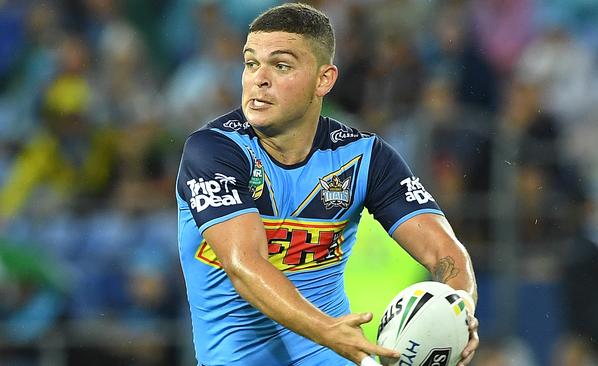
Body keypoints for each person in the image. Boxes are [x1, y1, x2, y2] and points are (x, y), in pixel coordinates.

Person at [176, 3, 479, 365]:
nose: (259, 78)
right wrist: (328, 331)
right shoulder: (214, 151)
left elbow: (446, 252)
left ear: (324, 79)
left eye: (281, 65)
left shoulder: (365, 158)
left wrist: (460, 309)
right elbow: (245, 265)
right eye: (251, 63)